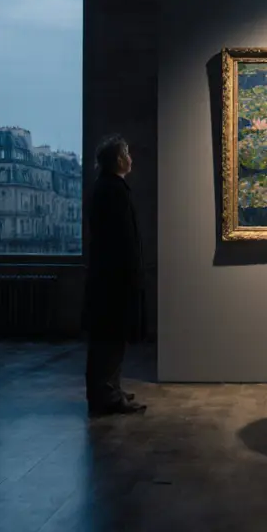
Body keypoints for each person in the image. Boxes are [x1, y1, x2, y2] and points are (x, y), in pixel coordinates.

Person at [82, 134, 147, 417]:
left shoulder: (107, 187)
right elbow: (122, 239)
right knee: (109, 338)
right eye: (127, 153)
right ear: (119, 159)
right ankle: (107, 395)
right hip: (114, 279)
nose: (131, 159)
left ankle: (110, 389)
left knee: (110, 337)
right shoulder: (113, 190)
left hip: (108, 277)